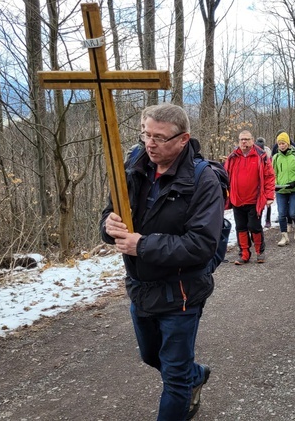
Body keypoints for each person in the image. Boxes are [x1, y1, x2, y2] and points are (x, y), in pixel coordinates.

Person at [100, 103, 222, 420]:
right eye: (146, 135)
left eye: (160, 138)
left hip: (181, 293)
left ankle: (185, 378)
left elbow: (201, 245)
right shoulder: (133, 166)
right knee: (151, 355)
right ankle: (194, 374)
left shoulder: (203, 180)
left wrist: (142, 245)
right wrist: (108, 227)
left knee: (174, 378)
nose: (150, 144)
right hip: (140, 287)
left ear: (183, 139)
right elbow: (111, 213)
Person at [224, 130, 276, 264]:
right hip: (237, 200)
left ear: (252, 140)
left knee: (254, 226)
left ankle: (260, 251)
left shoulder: (261, 156)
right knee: (241, 227)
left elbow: (269, 177)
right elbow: (224, 176)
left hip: (254, 200)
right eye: (241, 139)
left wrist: (269, 196)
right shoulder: (232, 157)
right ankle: (244, 254)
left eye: (246, 139)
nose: (244, 142)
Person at [272, 131, 295, 246]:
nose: (281, 146)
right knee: (281, 214)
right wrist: (275, 185)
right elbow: (273, 174)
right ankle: (284, 236)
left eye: (283, 143)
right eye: (279, 144)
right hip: (281, 190)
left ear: (288, 143)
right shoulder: (276, 158)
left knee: (292, 213)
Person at [256, 137, 274, 228]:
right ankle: (258, 219)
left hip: (266, 177)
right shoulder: (253, 151)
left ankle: (268, 219)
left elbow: (270, 164)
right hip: (258, 179)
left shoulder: (267, 151)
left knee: (268, 202)